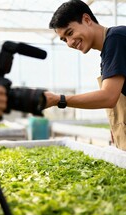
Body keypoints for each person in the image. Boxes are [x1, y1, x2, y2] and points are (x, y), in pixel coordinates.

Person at [44, 0, 126, 150]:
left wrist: (59, 100)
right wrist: (118, 124)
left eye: (70, 33)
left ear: (87, 20)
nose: (69, 43)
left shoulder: (116, 39)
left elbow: (109, 96)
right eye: (64, 39)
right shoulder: (109, 48)